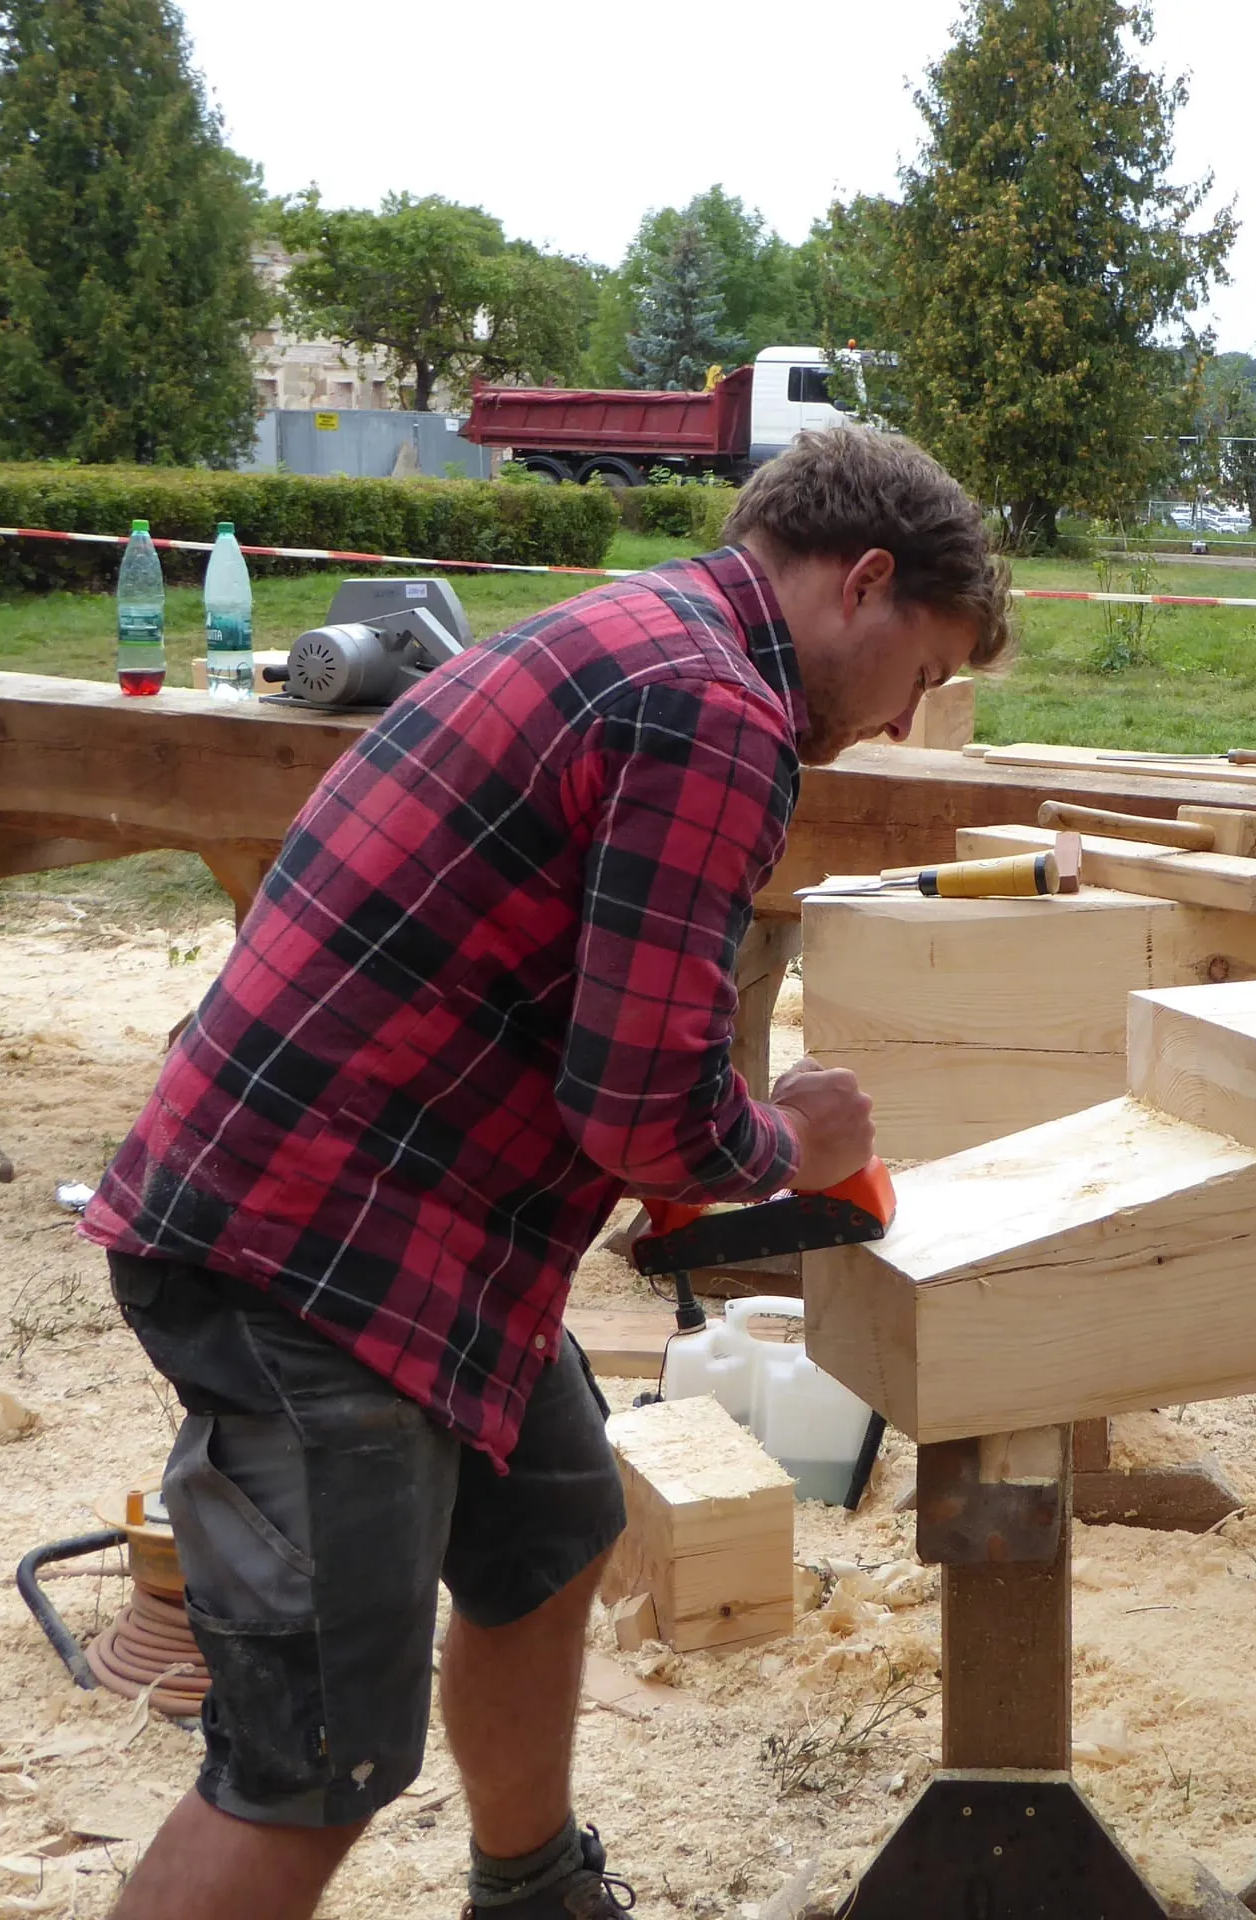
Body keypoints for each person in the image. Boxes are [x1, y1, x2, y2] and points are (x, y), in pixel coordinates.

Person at [81, 428, 1011, 1920]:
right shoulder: (718, 713)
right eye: (924, 673)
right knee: (314, 1757)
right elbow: (643, 1112)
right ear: (868, 583)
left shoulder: (638, 631)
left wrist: (718, 1123)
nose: (907, 724)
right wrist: (792, 1145)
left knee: (553, 1516)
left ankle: (531, 1892)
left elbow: (610, 1034)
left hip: (407, 1220)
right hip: (315, 1247)